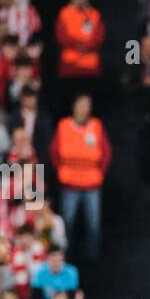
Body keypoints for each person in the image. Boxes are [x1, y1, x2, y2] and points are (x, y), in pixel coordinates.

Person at [49, 94, 110, 260]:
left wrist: (100, 174)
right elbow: (54, 153)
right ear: (74, 106)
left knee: (93, 225)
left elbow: (106, 153)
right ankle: (66, 256)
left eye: (88, 105)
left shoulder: (97, 126)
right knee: (67, 223)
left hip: (91, 185)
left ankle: (92, 259)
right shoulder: (63, 126)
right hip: (70, 184)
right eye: (82, 105)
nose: (85, 109)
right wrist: (61, 172)